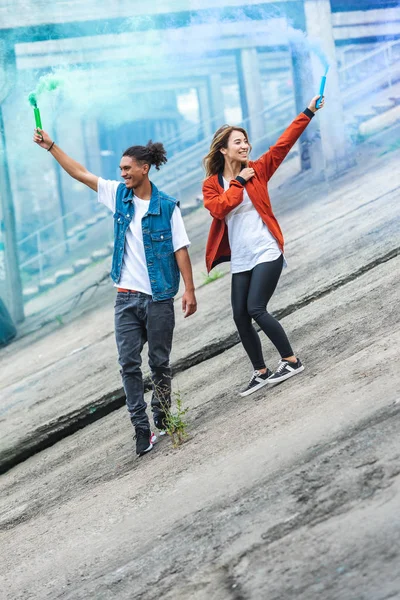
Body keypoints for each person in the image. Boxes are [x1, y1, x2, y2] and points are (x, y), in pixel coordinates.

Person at [33, 131, 197, 456]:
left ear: (145, 168)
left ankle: (162, 417)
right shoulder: (118, 195)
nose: (122, 174)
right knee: (128, 364)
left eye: (127, 168)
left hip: (160, 298)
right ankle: (141, 430)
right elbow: (80, 173)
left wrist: (189, 290)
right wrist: (52, 146)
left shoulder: (167, 208)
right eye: (120, 169)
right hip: (125, 298)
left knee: (160, 364)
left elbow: (180, 250)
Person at [202, 95, 324, 397]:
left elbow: (283, 144)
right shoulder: (212, 184)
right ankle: (260, 372)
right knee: (239, 316)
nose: (245, 146)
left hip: (267, 249)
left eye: (246, 141)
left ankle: (291, 361)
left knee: (256, 307)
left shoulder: (258, 169)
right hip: (242, 257)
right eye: (238, 142)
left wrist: (308, 112)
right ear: (223, 149)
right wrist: (238, 183)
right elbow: (219, 209)